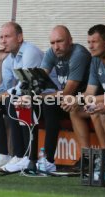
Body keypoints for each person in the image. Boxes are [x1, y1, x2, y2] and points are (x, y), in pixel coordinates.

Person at [0, 22, 44, 172]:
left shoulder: (30, 51)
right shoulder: (9, 57)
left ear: (19, 37)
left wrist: (0, 96)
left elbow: (25, 84)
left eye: (7, 36)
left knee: (13, 98)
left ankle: (21, 155)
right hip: (26, 96)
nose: (3, 41)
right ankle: (3, 155)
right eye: (1, 37)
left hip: (45, 98)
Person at [62, 24, 105, 149]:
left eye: (94, 42)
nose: (90, 46)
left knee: (94, 110)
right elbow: (89, 92)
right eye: (89, 42)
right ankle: (86, 156)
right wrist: (76, 100)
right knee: (74, 110)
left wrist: (79, 99)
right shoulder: (95, 60)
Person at [40, 25, 91, 172]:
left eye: (60, 41)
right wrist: (30, 96)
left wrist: (40, 96)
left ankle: (50, 159)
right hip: (67, 100)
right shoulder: (52, 52)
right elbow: (40, 79)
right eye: (52, 43)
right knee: (34, 105)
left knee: (48, 103)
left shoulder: (79, 54)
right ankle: (29, 158)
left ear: (70, 41)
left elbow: (69, 91)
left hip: (84, 99)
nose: (56, 47)